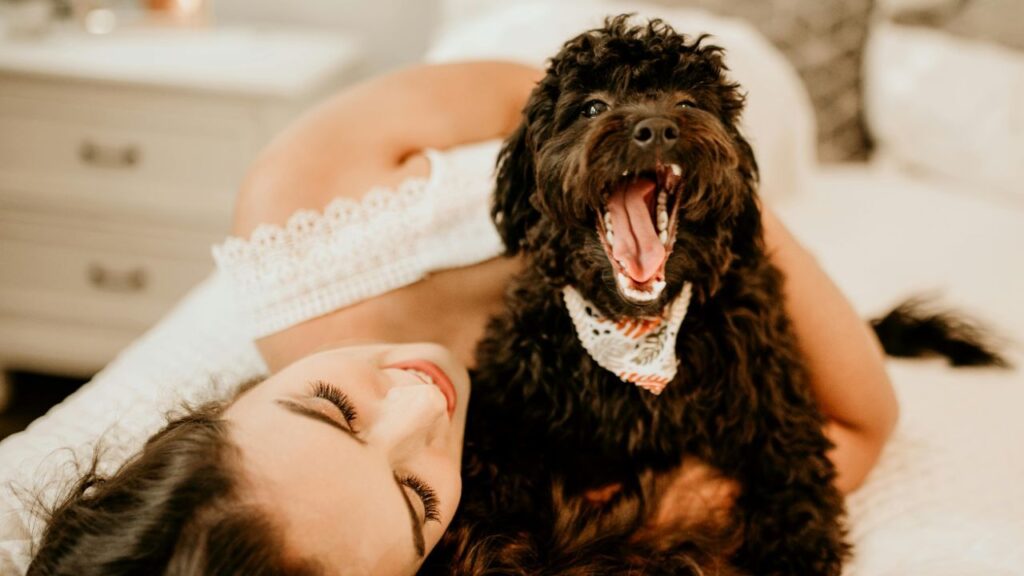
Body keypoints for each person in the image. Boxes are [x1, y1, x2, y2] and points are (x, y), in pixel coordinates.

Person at [27, 62, 897, 575]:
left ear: (221, 405)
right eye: (412, 494)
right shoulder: (532, 516)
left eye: (334, 408)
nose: (424, 403)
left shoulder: (301, 200)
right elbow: (859, 422)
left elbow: (549, 89)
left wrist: (701, 171)